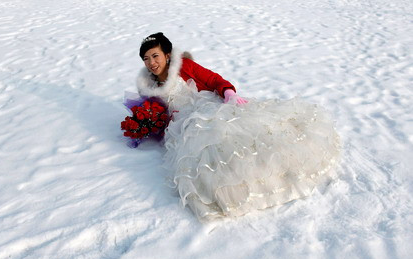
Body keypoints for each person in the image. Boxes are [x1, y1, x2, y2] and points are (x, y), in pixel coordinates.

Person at [136, 32, 341, 220]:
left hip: (207, 106)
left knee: (240, 134)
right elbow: (156, 115)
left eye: (155, 56)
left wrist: (228, 92)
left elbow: (214, 79)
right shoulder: (148, 87)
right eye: (146, 58)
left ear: (168, 55)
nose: (151, 62)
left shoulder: (185, 67)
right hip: (183, 124)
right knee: (206, 156)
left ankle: (276, 168)